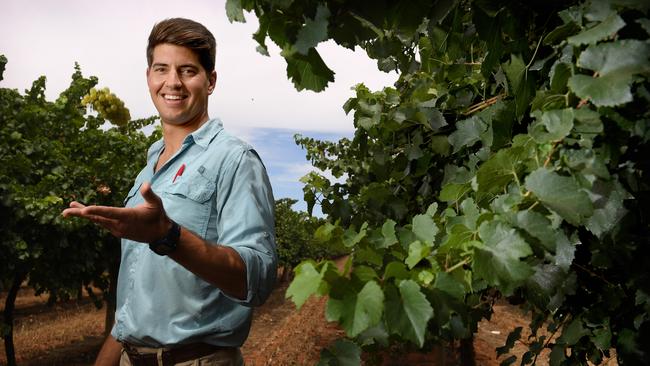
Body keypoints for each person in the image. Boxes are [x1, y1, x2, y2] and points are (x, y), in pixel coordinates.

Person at [63, 18, 277, 366]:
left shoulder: (234, 159)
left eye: (188, 70)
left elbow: (258, 277)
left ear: (211, 81)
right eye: (161, 69)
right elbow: (133, 305)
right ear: (149, 77)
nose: (172, 82)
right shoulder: (147, 170)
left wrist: (168, 236)